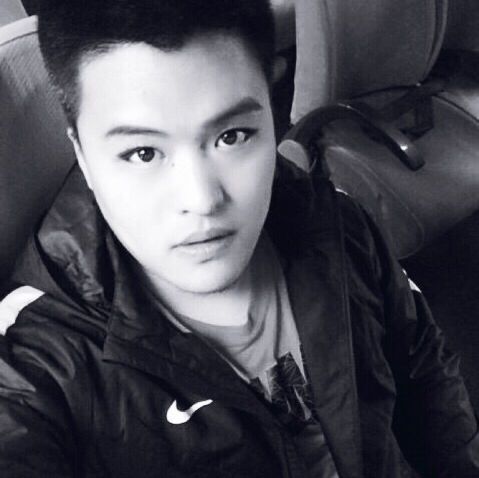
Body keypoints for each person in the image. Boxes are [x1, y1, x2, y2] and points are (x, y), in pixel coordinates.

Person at [0, 1, 478, 477]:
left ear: (272, 110)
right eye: (143, 153)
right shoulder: (35, 361)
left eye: (232, 136)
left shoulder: (335, 222)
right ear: (82, 155)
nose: (202, 200)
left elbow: (426, 373)